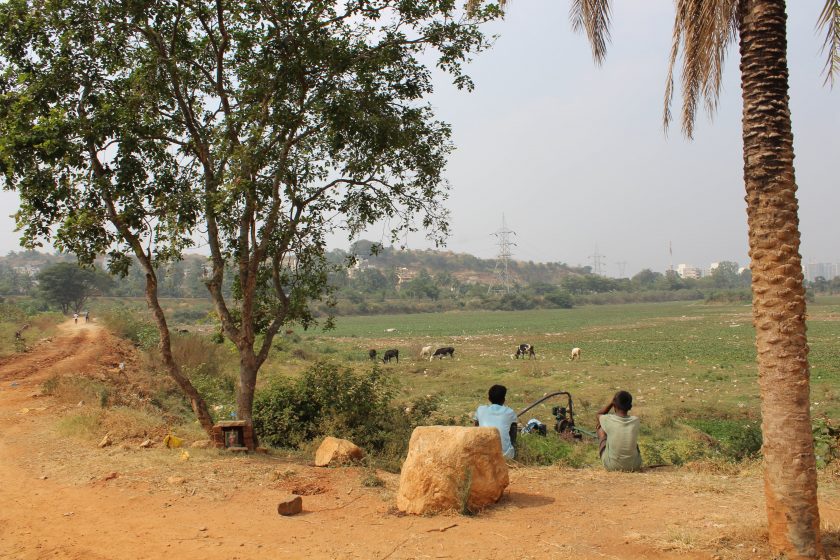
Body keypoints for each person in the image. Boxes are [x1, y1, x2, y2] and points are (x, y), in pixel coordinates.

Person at [595, 390, 642, 472]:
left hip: (612, 466)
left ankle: (608, 454)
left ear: (614, 405)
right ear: (630, 407)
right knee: (632, 439)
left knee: (601, 428)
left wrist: (611, 403)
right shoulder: (636, 420)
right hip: (634, 466)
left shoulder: (608, 419)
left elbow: (598, 414)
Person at [473, 384, 518, 459]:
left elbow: (475, 428)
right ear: (504, 399)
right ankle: (512, 447)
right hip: (504, 456)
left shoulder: (480, 409)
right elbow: (513, 429)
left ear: (489, 398)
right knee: (513, 426)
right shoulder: (510, 412)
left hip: (482, 455)